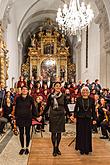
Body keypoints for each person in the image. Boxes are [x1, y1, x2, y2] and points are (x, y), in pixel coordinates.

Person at [40, 82, 73, 156]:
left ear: (61, 87)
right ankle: (54, 149)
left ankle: (57, 147)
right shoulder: (50, 96)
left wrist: (70, 115)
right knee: (53, 133)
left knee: (59, 133)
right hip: (53, 115)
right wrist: (41, 115)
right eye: (56, 86)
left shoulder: (63, 96)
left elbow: (66, 106)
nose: (58, 87)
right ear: (54, 87)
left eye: (59, 86)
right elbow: (47, 106)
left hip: (61, 116)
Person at [14, 86, 38, 155]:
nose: (24, 90)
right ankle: (22, 148)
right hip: (20, 118)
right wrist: (15, 117)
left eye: (26, 89)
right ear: (21, 91)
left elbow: (33, 107)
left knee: (27, 133)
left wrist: (36, 116)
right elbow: (16, 108)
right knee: (21, 134)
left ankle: (27, 147)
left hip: (28, 118)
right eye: (23, 89)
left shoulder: (30, 98)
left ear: (28, 91)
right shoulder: (18, 98)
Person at [74, 86, 96, 155]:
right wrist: (75, 117)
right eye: (83, 91)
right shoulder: (78, 99)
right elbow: (75, 109)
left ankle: (87, 149)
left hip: (89, 118)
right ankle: (81, 149)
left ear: (88, 92)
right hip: (80, 118)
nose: (85, 92)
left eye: (86, 90)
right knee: (81, 133)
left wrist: (94, 119)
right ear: (81, 92)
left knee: (88, 134)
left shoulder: (92, 99)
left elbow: (93, 111)